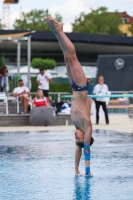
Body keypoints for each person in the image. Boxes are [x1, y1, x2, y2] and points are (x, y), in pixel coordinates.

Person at [45, 16, 92, 175]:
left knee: (66, 59)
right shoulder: (87, 126)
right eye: (78, 138)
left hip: (74, 87)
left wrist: (76, 169)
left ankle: (57, 32)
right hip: (81, 86)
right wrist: (87, 169)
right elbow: (85, 149)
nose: (75, 136)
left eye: (76, 138)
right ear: (85, 136)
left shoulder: (76, 125)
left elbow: (78, 149)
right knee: (72, 58)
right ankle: (58, 29)